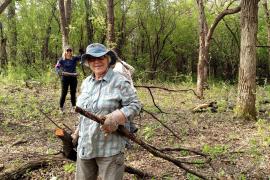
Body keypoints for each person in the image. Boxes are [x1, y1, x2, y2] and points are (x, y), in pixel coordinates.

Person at [74, 43, 141, 180]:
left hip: (110, 148)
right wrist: (77, 133)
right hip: (85, 147)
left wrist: (116, 117)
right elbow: (84, 113)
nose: (96, 61)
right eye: (92, 58)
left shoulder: (119, 81)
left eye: (101, 57)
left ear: (108, 59)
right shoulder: (86, 82)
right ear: (88, 62)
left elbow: (135, 105)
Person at [55, 46, 81, 113]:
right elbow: (57, 67)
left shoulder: (74, 58)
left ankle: (73, 107)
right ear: (65, 52)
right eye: (67, 51)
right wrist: (61, 72)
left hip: (73, 78)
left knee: (73, 93)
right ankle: (61, 108)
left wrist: (82, 52)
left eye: (70, 51)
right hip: (65, 78)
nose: (69, 52)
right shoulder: (62, 60)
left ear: (71, 52)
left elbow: (82, 57)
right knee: (64, 93)